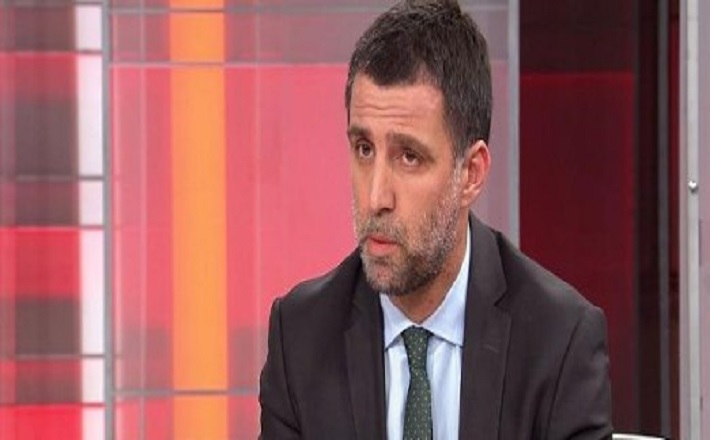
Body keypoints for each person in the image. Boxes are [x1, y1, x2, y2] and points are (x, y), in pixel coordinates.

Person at [259, 0, 613, 438]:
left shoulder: (558, 342)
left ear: (471, 173)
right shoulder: (301, 338)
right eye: (364, 149)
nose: (376, 197)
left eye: (409, 156)